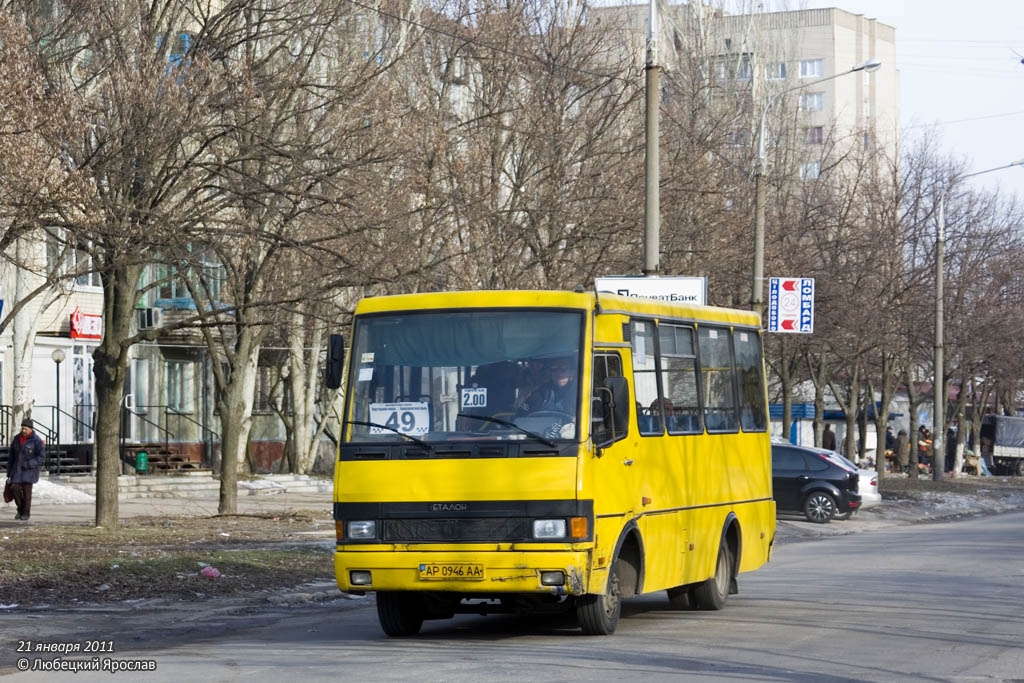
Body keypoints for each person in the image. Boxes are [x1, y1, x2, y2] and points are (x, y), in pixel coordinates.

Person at [6, 418, 46, 522]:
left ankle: (26, 513)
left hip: (29, 471)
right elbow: (11, 456)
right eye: (22, 428)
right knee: (14, 489)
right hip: (17, 471)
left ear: (30, 429)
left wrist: (29, 464)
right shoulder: (16, 439)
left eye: (26, 429)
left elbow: (41, 457)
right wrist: (9, 472)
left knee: (27, 494)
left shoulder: (36, 441)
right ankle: (20, 509)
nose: (23, 430)